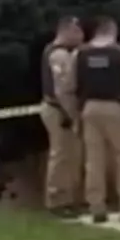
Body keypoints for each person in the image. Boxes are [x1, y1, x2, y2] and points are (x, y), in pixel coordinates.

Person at [59, 16, 120, 224]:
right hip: (117, 107)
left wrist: (74, 113)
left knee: (94, 161)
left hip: (89, 109)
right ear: (113, 31)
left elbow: (67, 86)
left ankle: (97, 208)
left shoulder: (79, 54)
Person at [39, 15, 85, 217]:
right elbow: (62, 90)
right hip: (59, 110)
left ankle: (68, 198)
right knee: (61, 155)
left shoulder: (52, 51)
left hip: (57, 108)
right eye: (77, 31)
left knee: (70, 155)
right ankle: (56, 200)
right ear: (67, 30)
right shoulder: (60, 55)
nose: (81, 36)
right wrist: (73, 114)